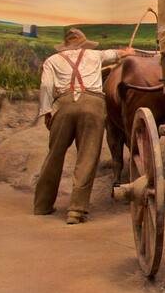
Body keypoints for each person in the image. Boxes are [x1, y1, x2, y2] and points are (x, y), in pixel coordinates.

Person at [33, 28, 134, 224]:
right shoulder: (94, 55)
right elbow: (118, 54)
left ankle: (42, 205)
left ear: (65, 45)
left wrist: (46, 111)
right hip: (93, 106)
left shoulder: (52, 60)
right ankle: (76, 211)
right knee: (87, 157)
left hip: (63, 105)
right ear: (83, 43)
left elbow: (46, 86)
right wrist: (128, 51)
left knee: (54, 154)